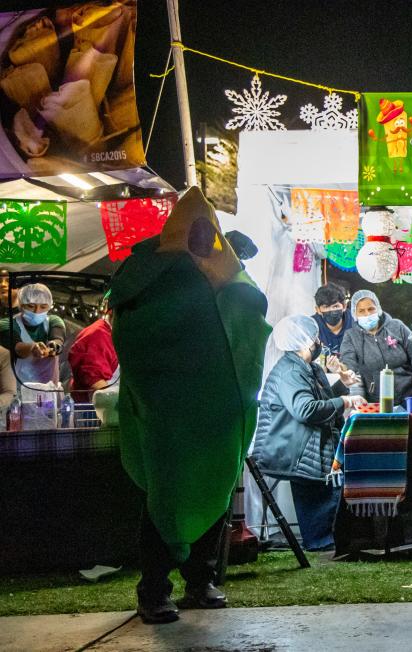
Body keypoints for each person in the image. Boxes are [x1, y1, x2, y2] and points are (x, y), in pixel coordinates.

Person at [110, 187, 270, 624]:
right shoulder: (147, 271)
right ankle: (154, 589)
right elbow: (130, 328)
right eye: (194, 230)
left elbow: (253, 315)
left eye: (208, 230)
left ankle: (200, 581)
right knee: (164, 495)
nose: (202, 239)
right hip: (167, 410)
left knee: (215, 495)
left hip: (216, 411)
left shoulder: (227, 271)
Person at [252, 315, 366, 551]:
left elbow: (320, 399)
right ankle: (322, 540)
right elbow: (305, 410)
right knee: (318, 487)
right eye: (314, 338)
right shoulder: (290, 371)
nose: (319, 342)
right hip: (295, 447)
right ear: (303, 341)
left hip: (312, 443)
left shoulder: (310, 368)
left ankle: (333, 537)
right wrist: (345, 401)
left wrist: (342, 384)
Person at [339, 289, 412, 404]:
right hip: (377, 401)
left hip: (410, 395)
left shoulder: (396, 326)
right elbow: (348, 361)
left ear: (378, 308)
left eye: (371, 309)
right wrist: (346, 370)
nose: (367, 314)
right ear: (354, 313)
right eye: (361, 311)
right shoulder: (351, 336)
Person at [10, 283, 65, 385]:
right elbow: (17, 347)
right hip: (19, 388)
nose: (37, 311)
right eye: (31, 306)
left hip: (49, 389)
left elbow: (58, 339)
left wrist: (53, 347)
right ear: (21, 305)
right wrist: (32, 348)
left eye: (43, 307)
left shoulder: (54, 321)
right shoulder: (11, 323)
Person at [68, 293, 119, 402]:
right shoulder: (97, 336)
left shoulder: (118, 334)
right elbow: (95, 382)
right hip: (96, 410)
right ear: (111, 311)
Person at [312, 283, 354, 360]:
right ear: (318, 310)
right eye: (326, 307)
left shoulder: (355, 322)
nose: (332, 311)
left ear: (344, 306)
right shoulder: (311, 326)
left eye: (335, 306)